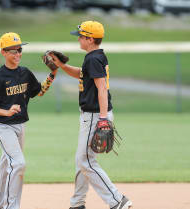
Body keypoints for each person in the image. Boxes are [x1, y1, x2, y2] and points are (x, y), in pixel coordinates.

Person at [48, 21, 133, 209]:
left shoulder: (93, 59)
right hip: (93, 114)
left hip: (95, 115)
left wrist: (103, 118)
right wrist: (61, 65)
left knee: (85, 160)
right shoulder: (94, 57)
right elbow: (81, 74)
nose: (78, 38)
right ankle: (77, 203)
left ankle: (118, 200)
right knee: (83, 160)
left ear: (90, 39)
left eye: (81, 36)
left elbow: (101, 87)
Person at [0, 32, 57, 209]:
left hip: (20, 125)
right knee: (18, 163)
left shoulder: (25, 73)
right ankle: (11, 206)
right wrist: (6, 112)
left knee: (6, 166)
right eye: (13, 51)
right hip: (3, 126)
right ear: (3, 53)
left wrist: (53, 74)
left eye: (19, 50)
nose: (18, 54)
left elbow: (39, 92)